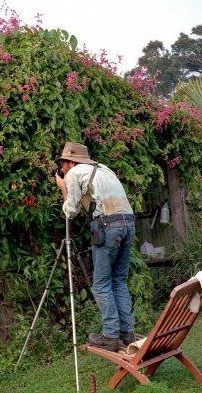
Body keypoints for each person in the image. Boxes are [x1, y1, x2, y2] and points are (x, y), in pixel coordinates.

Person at [55, 142, 136, 352]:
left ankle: (109, 336)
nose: (62, 168)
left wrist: (63, 188)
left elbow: (70, 211)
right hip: (129, 222)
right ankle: (127, 333)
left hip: (108, 226)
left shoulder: (73, 174)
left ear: (72, 161)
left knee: (101, 284)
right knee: (119, 280)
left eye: (63, 163)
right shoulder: (104, 168)